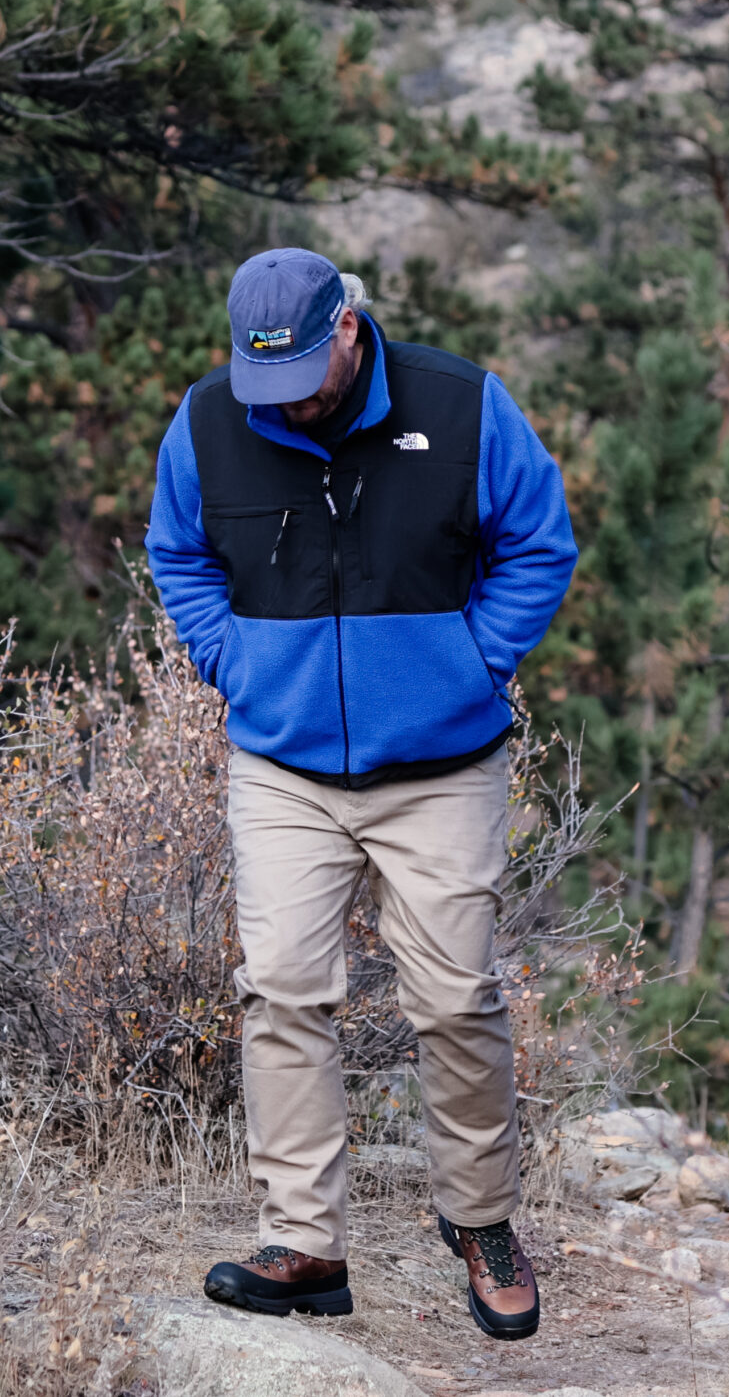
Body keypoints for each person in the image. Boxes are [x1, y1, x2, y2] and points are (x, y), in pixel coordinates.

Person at [144, 247, 578, 1340]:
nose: (278, 403)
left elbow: (539, 541)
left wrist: (472, 666)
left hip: (441, 767)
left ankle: (480, 1221)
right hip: (284, 765)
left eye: (297, 376)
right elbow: (178, 555)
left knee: (453, 998)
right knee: (283, 987)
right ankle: (305, 1242)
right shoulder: (207, 425)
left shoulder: (461, 405)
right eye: (259, 382)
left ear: (348, 329)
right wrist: (231, 664)